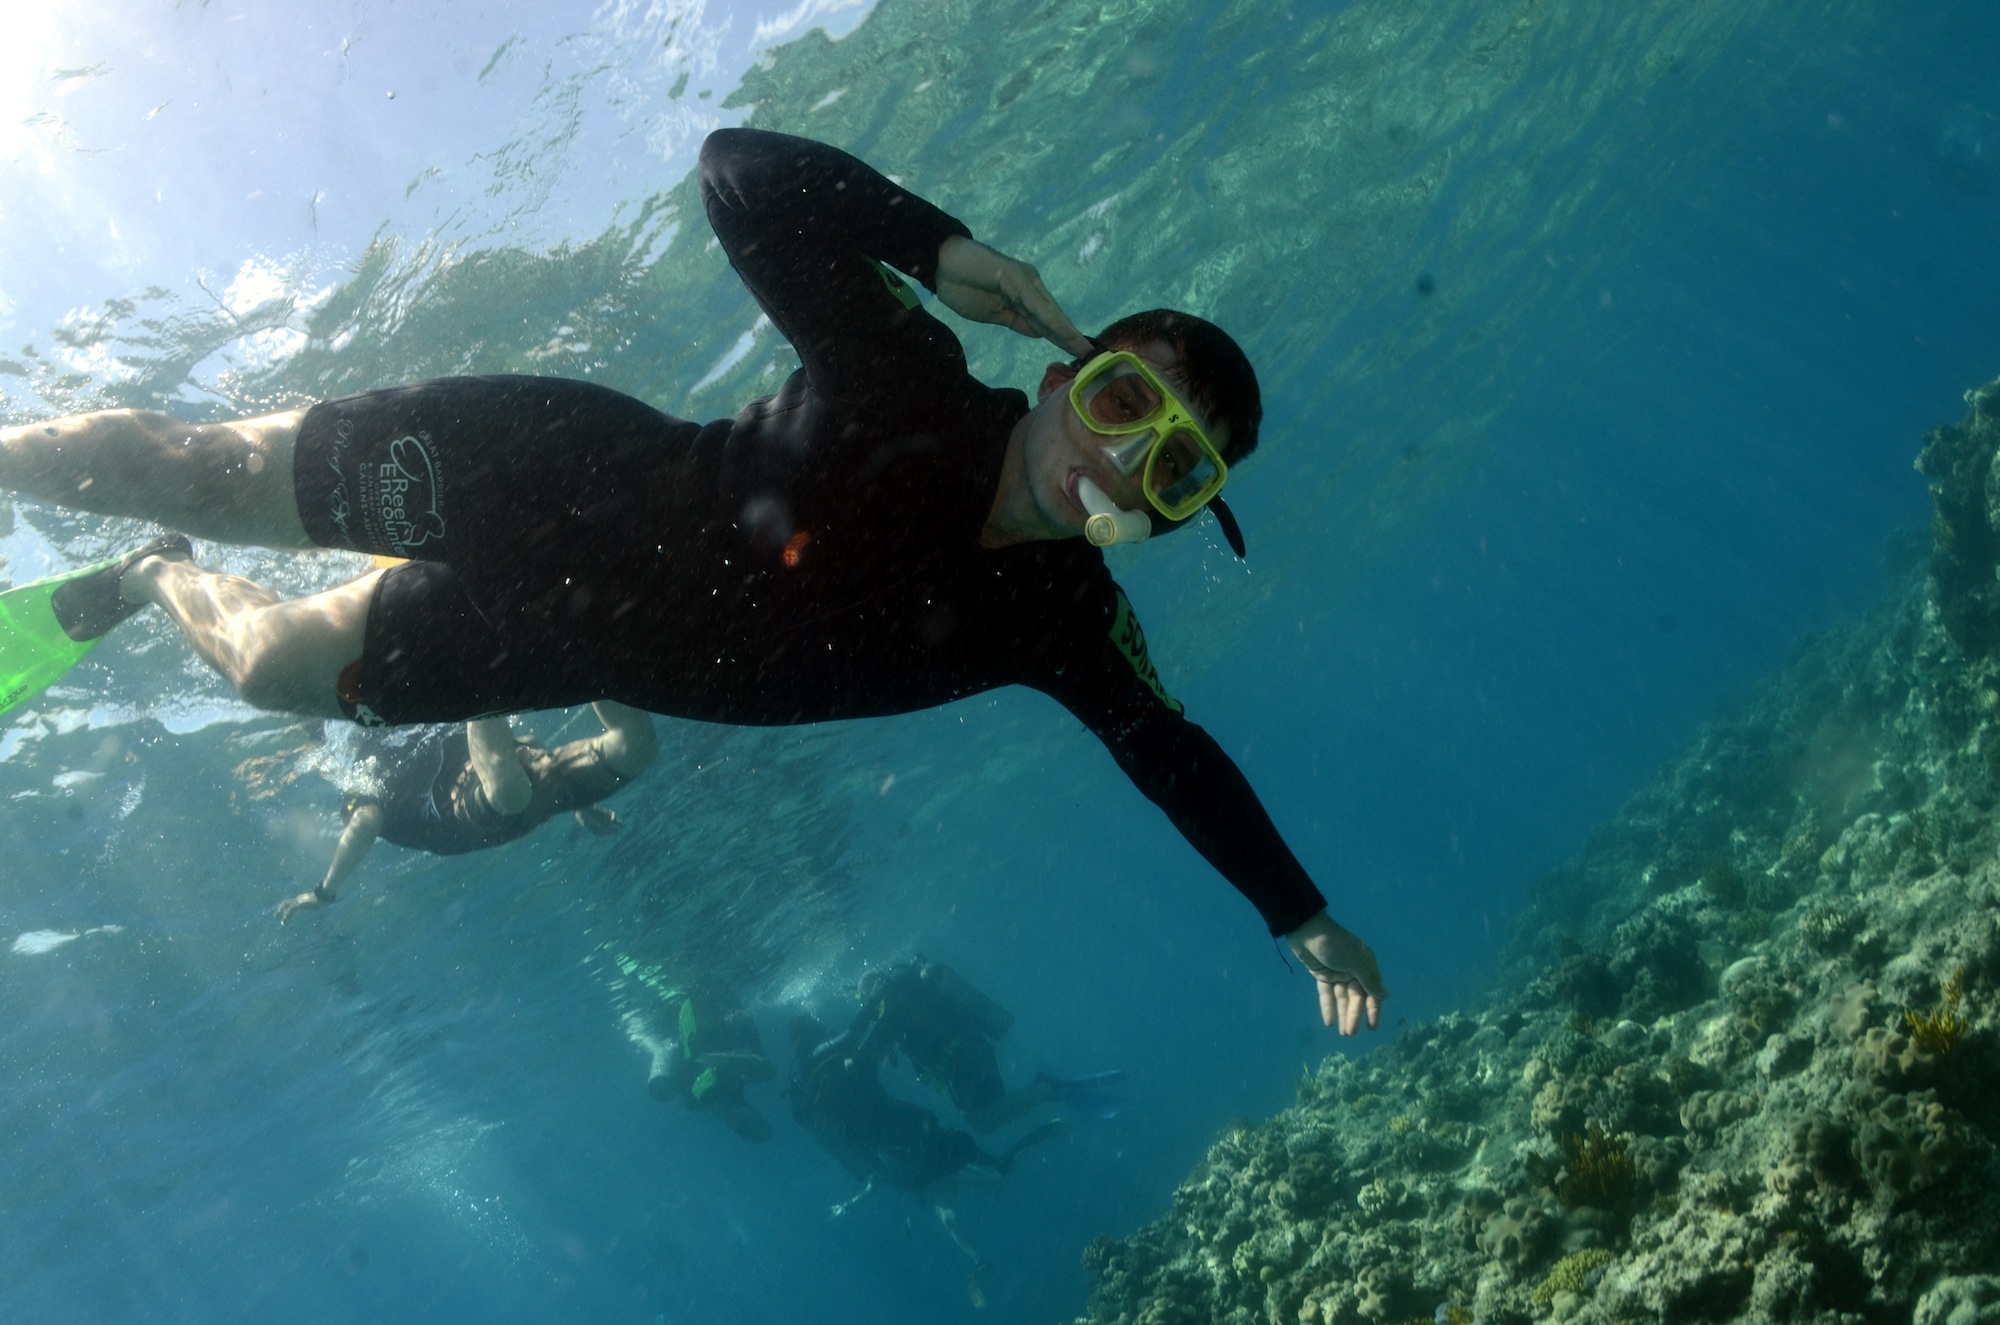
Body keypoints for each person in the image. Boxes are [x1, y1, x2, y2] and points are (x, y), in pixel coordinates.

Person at [0, 127, 1385, 1031]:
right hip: (534, 475)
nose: (1122, 461)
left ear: (1175, 512)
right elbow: (734, 173)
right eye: (1126, 402)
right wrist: (937, 245)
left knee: (267, 670)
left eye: (1175, 469)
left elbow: (1170, 748)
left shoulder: (1069, 622)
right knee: (197, 466)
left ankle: (152, 578)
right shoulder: (910, 374)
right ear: (1066, 371)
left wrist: (1298, 910)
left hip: (539, 648)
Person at [276, 705, 656, 922]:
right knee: (507, 791)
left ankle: (586, 635)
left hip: (518, 791)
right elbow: (365, 822)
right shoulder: (362, 779)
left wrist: (579, 805)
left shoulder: (413, 728)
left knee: (637, 745)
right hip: (474, 814)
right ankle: (477, 659)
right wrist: (324, 892)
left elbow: (527, 746)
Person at [786, 1009, 1066, 1291]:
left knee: (979, 1182)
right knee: (968, 1188)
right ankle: (981, 1253)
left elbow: (868, 1168)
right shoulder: (817, 1060)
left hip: (912, 1158)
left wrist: (852, 1199)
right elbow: (853, 1043)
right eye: (814, 1026)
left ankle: (1013, 1153)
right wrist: (872, 1014)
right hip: (912, 1151)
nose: (821, 1029)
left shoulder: (807, 1077)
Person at [847, 959, 1121, 1133]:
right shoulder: (911, 988)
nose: (868, 1007)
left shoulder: (893, 1002)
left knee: (982, 1122)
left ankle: (1047, 1089)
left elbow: (877, 1039)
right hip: (973, 1051)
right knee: (990, 1114)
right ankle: (1047, 1090)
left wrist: (854, 1063)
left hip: (961, 1062)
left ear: (872, 992)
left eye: (864, 1001)